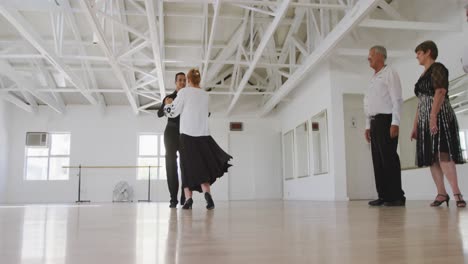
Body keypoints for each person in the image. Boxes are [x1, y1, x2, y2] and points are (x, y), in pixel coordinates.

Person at [163, 69, 232, 210]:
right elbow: (206, 113)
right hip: (203, 136)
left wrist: (167, 104)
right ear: (199, 80)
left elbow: (172, 112)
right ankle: (207, 194)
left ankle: (188, 199)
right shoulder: (206, 96)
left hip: (187, 136)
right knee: (202, 168)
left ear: (188, 80)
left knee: (186, 168)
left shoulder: (184, 92)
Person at [411, 40, 466, 207]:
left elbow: (440, 91)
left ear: (428, 52)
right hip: (425, 117)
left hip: (440, 114)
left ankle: (457, 194)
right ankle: (441, 193)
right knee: (432, 157)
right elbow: (420, 103)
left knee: (443, 153)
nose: (417, 57)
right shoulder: (422, 75)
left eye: (419, 53)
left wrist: (433, 116)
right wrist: (415, 126)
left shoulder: (438, 68)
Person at [364, 45, 406, 207]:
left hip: (387, 120)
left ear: (381, 56)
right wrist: (367, 125)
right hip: (374, 122)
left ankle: (396, 196)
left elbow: (397, 100)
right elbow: (368, 103)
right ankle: (383, 195)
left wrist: (395, 122)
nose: (369, 58)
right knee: (377, 160)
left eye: (371, 55)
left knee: (389, 159)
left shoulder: (390, 73)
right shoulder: (373, 77)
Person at [158, 72, 186, 208]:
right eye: (180, 80)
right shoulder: (170, 97)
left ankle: (185, 197)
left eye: (184, 80)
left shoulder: (188, 98)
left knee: (185, 165)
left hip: (185, 134)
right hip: (170, 133)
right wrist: (165, 103)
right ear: (175, 82)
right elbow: (159, 113)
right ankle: (173, 199)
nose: (182, 82)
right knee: (171, 165)